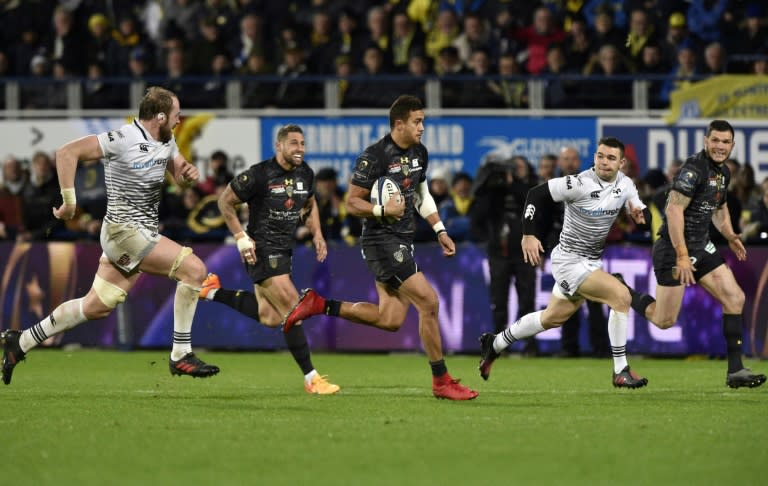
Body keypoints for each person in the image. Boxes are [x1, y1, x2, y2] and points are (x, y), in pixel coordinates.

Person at [1, 86, 219, 385]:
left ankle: (21, 341)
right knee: (193, 269)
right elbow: (67, 152)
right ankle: (181, 354)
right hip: (123, 233)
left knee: (96, 305)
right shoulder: (123, 138)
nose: (180, 120)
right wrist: (70, 202)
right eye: (176, 114)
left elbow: (179, 176)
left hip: (139, 234)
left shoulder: (167, 141)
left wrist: (187, 176)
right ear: (159, 116)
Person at [281, 95, 478, 400]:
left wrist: (439, 229)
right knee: (429, 302)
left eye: (423, 120)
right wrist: (382, 212)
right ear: (399, 123)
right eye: (417, 121)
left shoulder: (419, 153)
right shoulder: (374, 157)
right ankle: (441, 380)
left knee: (390, 320)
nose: (422, 127)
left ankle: (320, 305)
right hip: (381, 242)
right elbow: (352, 202)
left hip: (403, 239)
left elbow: (420, 193)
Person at [478, 136, 649, 388]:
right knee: (621, 296)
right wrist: (528, 233)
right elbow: (536, 194)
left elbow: (634, 200)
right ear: (594, 157)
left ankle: (496, 343)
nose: (604, 162)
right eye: (600, 156)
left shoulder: (625, 184)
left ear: (621, 162)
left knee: (551, 318)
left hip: (589, 262)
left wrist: (636, 209)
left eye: (611, 158)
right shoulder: (577, 183)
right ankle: (620, 370)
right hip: (569, 261)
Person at [618, 120, 766, 389]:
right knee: (664, 320)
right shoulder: (693, 169)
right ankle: (622, 291)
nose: (720, 146)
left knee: (735, 298)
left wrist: (731, 235)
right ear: (705, 141)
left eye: (725, 142)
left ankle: (736, 371)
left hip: (702, 245)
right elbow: (674, 211)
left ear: (732, 145)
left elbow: (718, 208)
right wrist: (682, 255)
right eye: (716, 140)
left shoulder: (723, 174)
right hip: (674, 249)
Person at [200, 124, 339, 395]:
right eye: (294, 143)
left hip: (284, 250)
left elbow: (310, 205)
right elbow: (225, 202)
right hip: (261, 250)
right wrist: (240, 237)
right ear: (279, 146)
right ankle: (312, 379)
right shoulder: (259, 175)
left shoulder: (306, 173)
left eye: (302, 143)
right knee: (292, 308)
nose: (300, 148)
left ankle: (212, 292)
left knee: (269, 317)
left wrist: (318, 234)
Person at [471, 155, 538, 356]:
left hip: (523, 252)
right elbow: (479, 213)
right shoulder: (491, 191)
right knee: (499, 301)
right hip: (498, 253)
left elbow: (534, 207)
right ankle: (499, 345)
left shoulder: (530, 187)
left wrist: (514, 182)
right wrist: (493, 185)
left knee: (527, 300)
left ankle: (530, 345)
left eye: (518, 167)